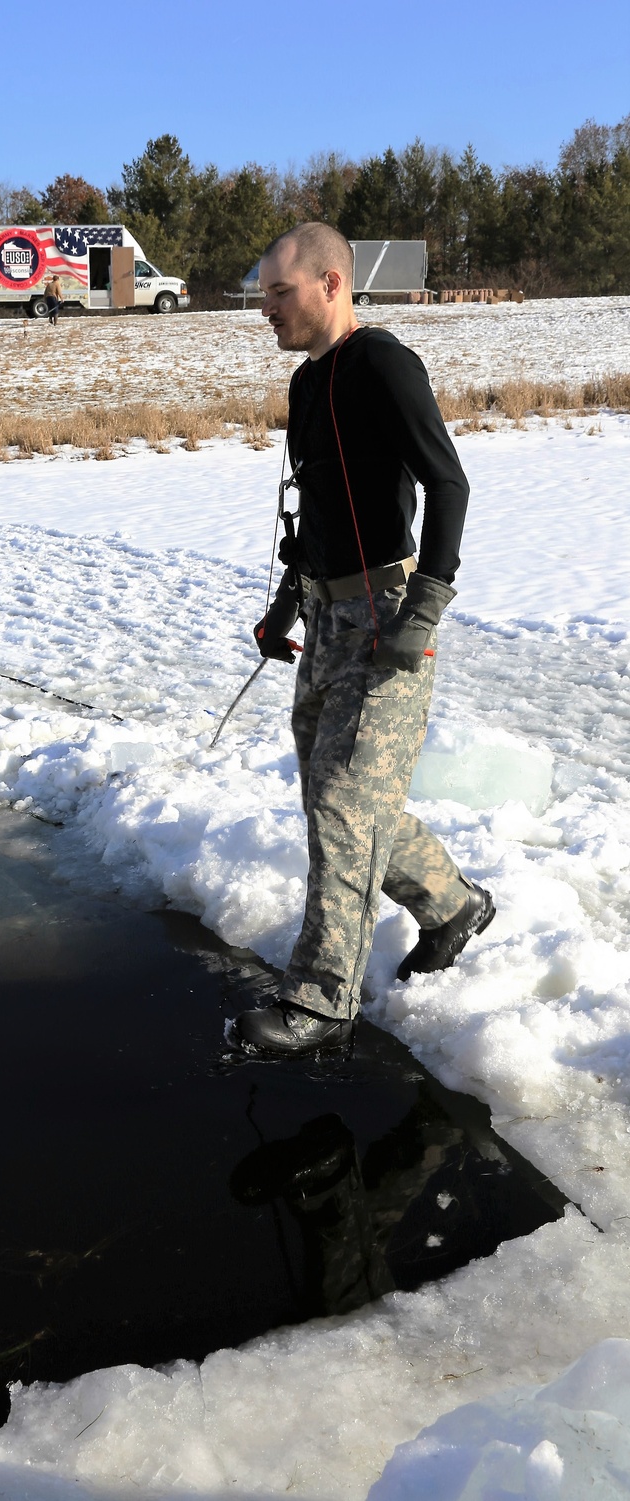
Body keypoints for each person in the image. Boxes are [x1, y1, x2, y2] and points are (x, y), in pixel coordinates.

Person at [231, 223, 494, 1059]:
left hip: (388, 610)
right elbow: (312, 514)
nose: (265, 308)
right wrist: (285, 605)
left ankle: (321, 998)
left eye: (279, 292)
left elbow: (448, 483)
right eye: (265, 294)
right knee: (337, 793)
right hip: (326, 609)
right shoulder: (308, 386)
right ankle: (454, 905)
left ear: (332, 283)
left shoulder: (384, 365)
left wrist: (427, 608)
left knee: (347, 805)